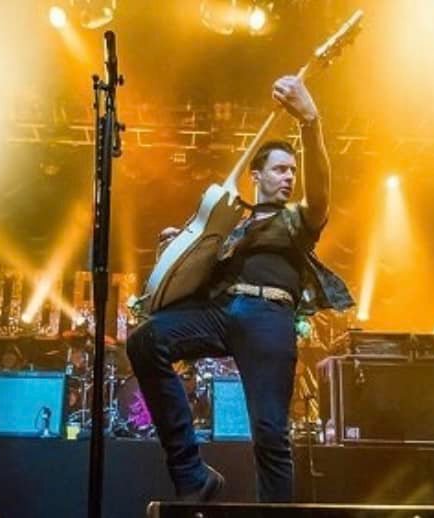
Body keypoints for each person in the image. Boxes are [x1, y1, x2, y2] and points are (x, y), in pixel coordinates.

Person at [126, 75, 354, 503]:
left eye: (292, 170)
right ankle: (192, 475)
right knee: (145, 340)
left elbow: (321, 192)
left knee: (270, 434)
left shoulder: (298, 219)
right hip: (222, 311)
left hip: (269, 317)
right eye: (280, 169)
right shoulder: (231, 227)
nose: (289, 177)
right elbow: (193, 275)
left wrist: (310, 121)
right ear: (256, 176)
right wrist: (178, 252)